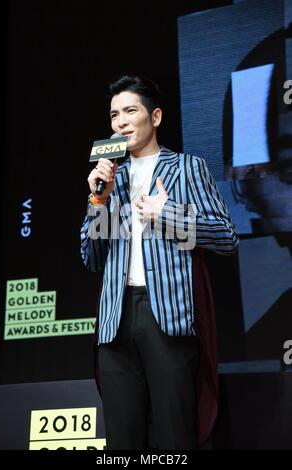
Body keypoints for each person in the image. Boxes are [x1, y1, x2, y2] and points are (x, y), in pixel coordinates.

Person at [80, 75, 239, 450]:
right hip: (116, 320)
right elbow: (92, 256)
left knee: (173, 437)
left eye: (130, 111)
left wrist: (168, 214)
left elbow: (227, 238)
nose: (120, 121)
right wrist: (97, 201)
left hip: (166, 315)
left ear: (155, 117)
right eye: (114, 114)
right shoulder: (109, 178)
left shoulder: (187, 168)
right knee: (122, 440)